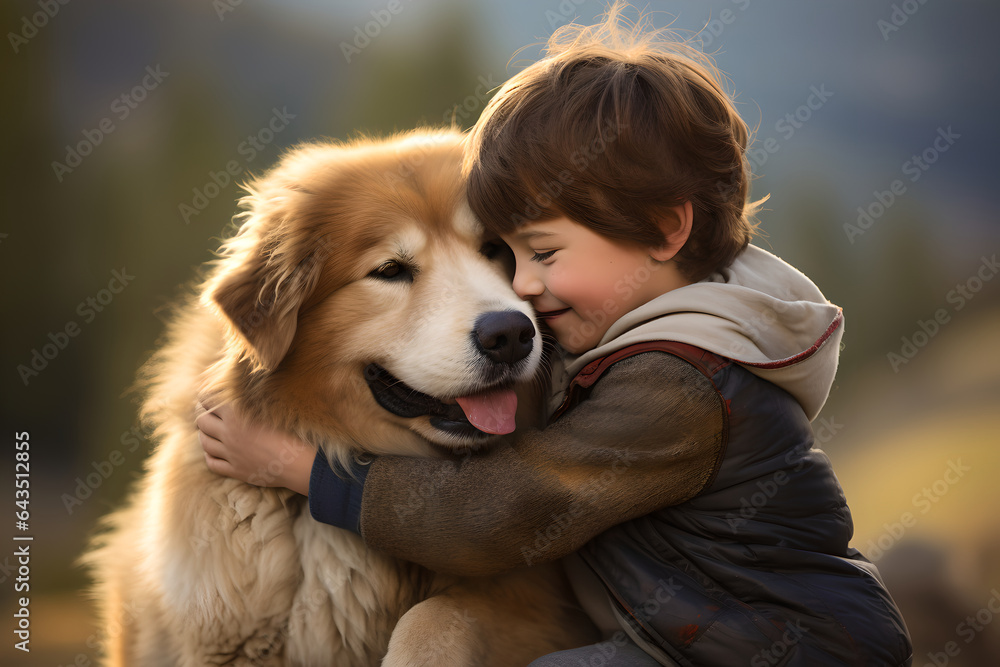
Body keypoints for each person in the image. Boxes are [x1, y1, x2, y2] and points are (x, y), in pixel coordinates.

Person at [198, 5, 912, 665]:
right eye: (508, 254)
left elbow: (504, 511)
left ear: (666, 229)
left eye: (539, 254)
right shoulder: (657, 326)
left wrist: (307, 472)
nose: (519, 290)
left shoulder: (680, 383)